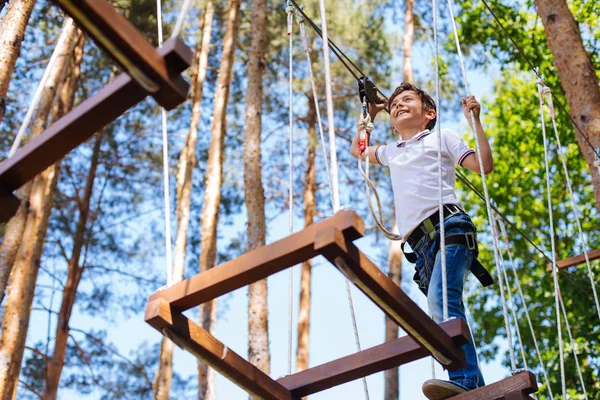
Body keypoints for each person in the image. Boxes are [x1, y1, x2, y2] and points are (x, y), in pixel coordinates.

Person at [350, 82, 493, 400]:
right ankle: (474, 384)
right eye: (395, 104)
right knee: (443, 310)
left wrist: (476, 123)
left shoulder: (441, 137)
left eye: (408, 100)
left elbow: (483, 165)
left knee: (442, 300)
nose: (399, 105)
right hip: (420, 245)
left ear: (429, 114)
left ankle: (464, 379)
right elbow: (358, 150)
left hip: (449, 227)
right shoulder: (391, 152)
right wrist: (369, 116)